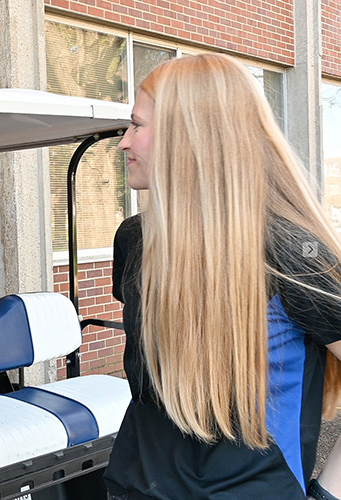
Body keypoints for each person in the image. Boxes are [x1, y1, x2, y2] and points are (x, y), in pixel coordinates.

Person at [104, 53, 341, 500]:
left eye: (136, 125)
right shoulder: (134, 240)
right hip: (134, 486)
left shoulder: (293, 252)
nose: (123, 143)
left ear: (188, 136)